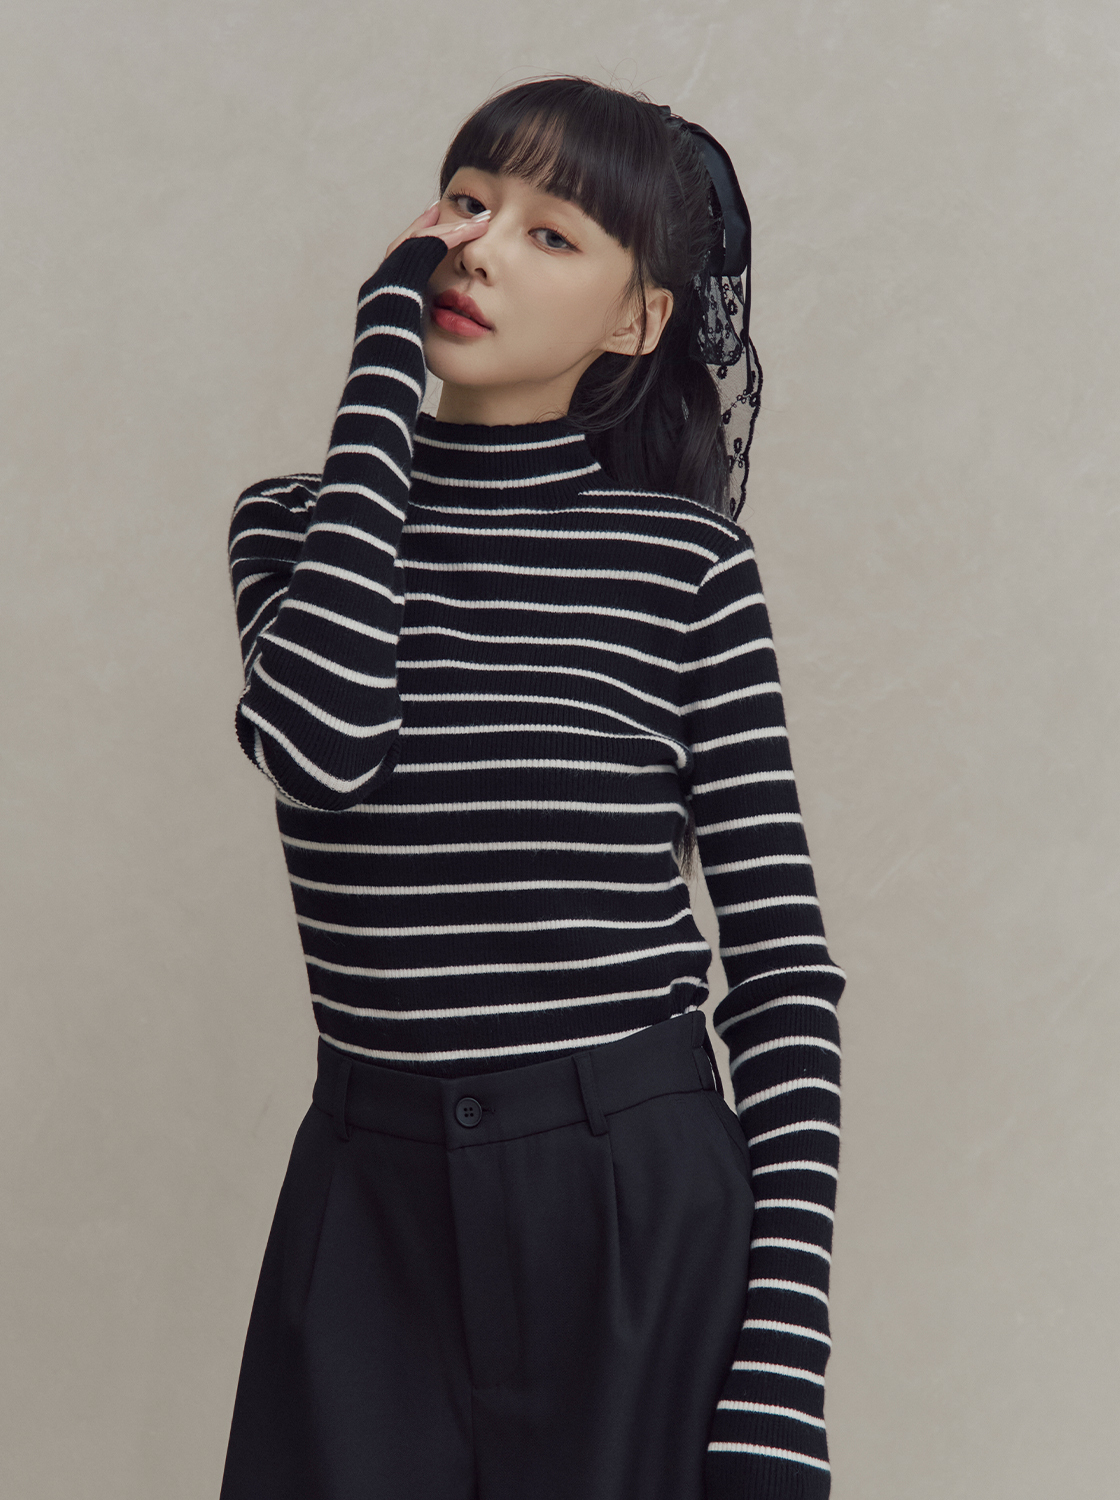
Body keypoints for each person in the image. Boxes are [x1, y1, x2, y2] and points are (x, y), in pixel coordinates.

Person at [219, 75, 844, 1500]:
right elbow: (320, 746)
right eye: (466, 203)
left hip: (632, 1218)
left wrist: (781, 1381)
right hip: (366, 1219)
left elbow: (783, 975)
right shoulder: (294, 529)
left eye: (552, 234)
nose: (479, 251)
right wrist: (382, 371)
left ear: (639, 321)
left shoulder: (685, 571)